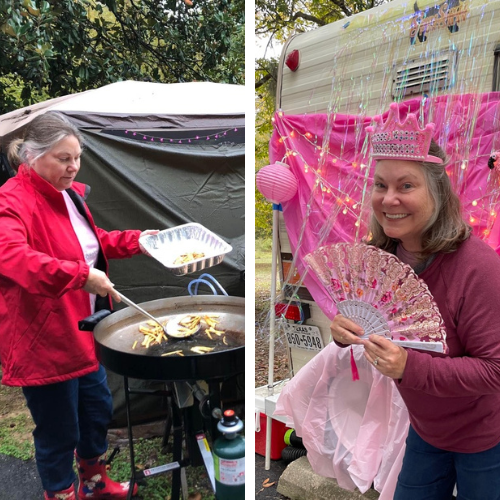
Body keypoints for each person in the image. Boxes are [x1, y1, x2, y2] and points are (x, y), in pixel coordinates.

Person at [330, 103, 500, 500]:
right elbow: (370, 324)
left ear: (437, 192)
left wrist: (410, 366)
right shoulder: (382, 258)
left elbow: (495, 370)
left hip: (485, 436)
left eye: (406, 186)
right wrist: (344, 332)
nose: (389, 199)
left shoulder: (478, 267)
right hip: (426, 429)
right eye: (380, 185)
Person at [0, 111, 158, 500]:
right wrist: (81, 276)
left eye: (77, 157)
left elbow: (89, 242)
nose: (74, 167)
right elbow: (12, 256)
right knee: (58, 430)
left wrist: (139, 240)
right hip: (44, 338)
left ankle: (94, 482)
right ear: (32, 157)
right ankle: (60, 493)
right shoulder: (11, 201)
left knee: (95, 413)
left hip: (83, 329)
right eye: (63, 158)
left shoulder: (66, 195)